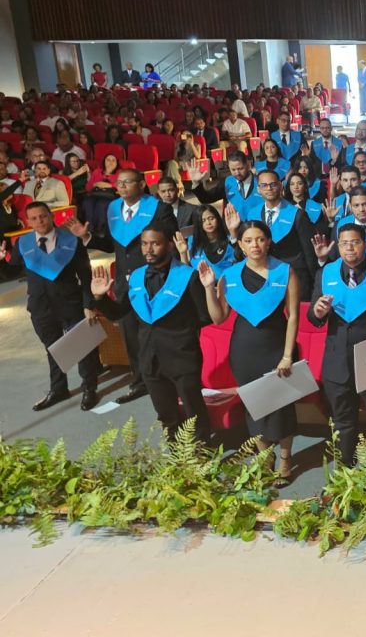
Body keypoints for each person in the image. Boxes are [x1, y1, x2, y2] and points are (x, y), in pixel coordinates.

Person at [64, 167, 178, 404]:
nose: (122, 187)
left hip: (154, 279)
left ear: (142, 184)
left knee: (158, 332)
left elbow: (171, 242)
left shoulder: (159, 208)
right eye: (119, 183)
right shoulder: (113, 208)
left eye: (128, 182)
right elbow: (112, 246)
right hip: (125, 283)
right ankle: (139, 381)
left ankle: (168, 377)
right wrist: (86, 238)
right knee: (131, 335)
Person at [91, 226, 211, 442]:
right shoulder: (136, 278)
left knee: (195, 413)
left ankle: (204, 453)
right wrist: (100, 299)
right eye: (145, 244)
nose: (148, 249)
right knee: (166, 414)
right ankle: (176, 454)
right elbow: (119, 312)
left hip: (181, 357)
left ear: (169, 245)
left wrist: (181, 332)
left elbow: (204, 317)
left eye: (155, 243)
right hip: (149, 359)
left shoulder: (188, 277)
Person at [204, 220, 300, 484]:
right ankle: (263, 457)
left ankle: (284, 457)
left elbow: (293, 317)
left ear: (268, 241)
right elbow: (219, 318)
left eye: (260, 239)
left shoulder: (285, 271)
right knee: (254, 404)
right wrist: (208, 289)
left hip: (278, 346)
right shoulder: (230, 275)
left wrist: (288, 355)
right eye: (248, 240)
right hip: (244, 350)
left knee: (281, 404)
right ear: (241, 244)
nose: (255, 245)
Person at [309, 223, 366, 465]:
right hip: (336, 361)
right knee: (342, 422)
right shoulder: (325, 274)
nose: (349, 248)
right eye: (343, 243)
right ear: (337, 246)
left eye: (355, 242)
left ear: (365, 244)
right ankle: (345, 472)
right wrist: (318, 312)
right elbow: (313, 316)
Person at [0, 202, 101, 411]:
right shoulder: (23, 242)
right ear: (28, 221)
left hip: (70, 302)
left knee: (83, 346)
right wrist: (4, 257)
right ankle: (59, 390)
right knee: (52, 348)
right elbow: (15, 265)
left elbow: (85, 274)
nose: (39, 221)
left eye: (43, 216)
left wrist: (88, 304)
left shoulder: (71, 240)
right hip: (40, 305)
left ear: (51, 216)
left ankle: (89, 387)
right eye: (34, 218)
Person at [227, 169, 318, 300]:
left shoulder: (297, 214)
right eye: (264, 185)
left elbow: (310, 252)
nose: (269, 188)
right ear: (258, 189)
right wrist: (234, 232)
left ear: (281, 186)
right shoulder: (253, 214)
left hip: (293, 277)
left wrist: (314, 282)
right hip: (264, 277)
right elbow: (246, 252)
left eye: (273, 184)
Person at [175, 204, 237, 279]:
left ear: (217, 218)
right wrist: (183, 253)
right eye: (203, 220)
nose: (208, 223)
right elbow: (185, 274)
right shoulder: (192, 241)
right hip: (200, 286)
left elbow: (240, 260)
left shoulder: (230, 239)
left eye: (211, 218)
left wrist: (233, 232)